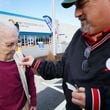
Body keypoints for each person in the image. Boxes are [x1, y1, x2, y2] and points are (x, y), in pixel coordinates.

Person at [21, 0, 110, 110]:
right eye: (75, 6)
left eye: (82, 3)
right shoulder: (79, 35)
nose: (76, 14)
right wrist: (35, 63)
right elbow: (62, 68)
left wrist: (100, 100)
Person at [0, 21, 37, 110]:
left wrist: (33, 101)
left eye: (17, 43)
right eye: (10, 45)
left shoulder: (21, 58)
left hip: (24, 107)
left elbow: (30, 80)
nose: (15, 48)